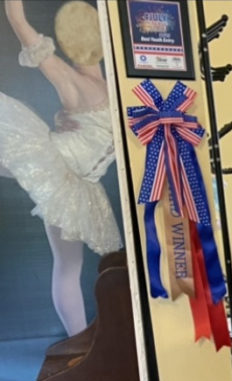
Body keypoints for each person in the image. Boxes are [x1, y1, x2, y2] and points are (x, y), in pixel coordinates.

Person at [0, 0, 121, 337]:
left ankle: (80, 341)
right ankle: (79, 340)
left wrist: (15, 11)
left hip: (76, 179)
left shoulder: (80, 83)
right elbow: (27, 36)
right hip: (59, 167)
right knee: (68, 268)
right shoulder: (111, 89)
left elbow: (27, 33)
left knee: (69, 267)